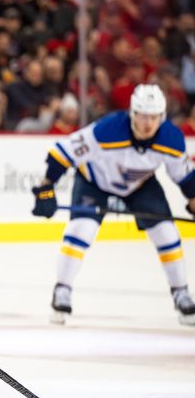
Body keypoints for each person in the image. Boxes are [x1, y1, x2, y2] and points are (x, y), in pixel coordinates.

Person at [31, 84, 195, 326]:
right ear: (132, 113)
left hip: (140, 184)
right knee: (81, 231)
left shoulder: (171, 138)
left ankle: (181, 292)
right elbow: (63, 152)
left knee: (167, 233)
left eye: (153, 117)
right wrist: (46, 187)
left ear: (161, 116)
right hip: (93, 181)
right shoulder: (107, 130)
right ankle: (62, 289)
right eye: (142, 116)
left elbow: (187, 178)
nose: (148, 123)